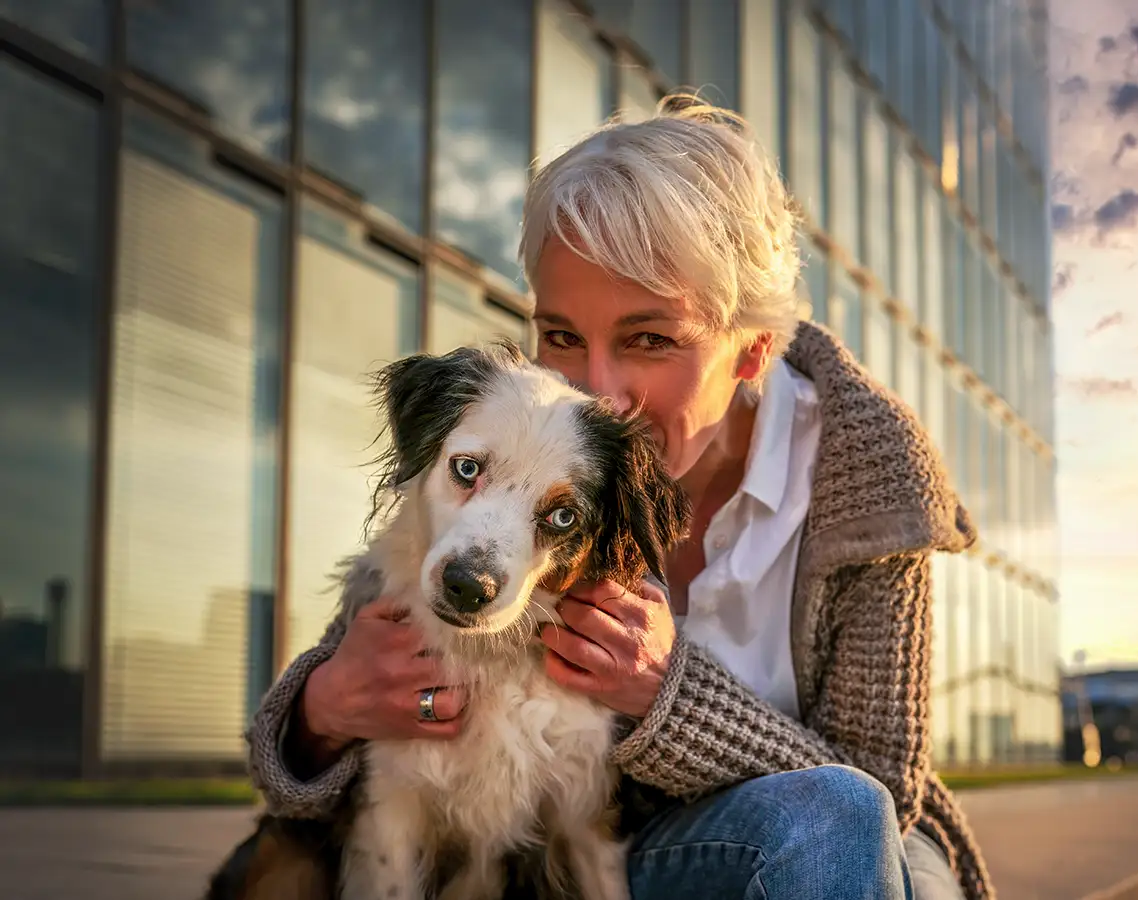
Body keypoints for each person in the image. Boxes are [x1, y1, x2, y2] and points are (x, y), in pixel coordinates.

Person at [245, 95, 994, 900]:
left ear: (755, 350)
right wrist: (323, 711)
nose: (596, 393)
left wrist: (667, 696)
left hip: (798, 844)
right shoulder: (510, 444)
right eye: (562, 334)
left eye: (649, 340)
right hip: (576, 858)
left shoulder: (869, 482)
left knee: (866, 835)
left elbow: (881, 789)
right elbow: (297, 754)